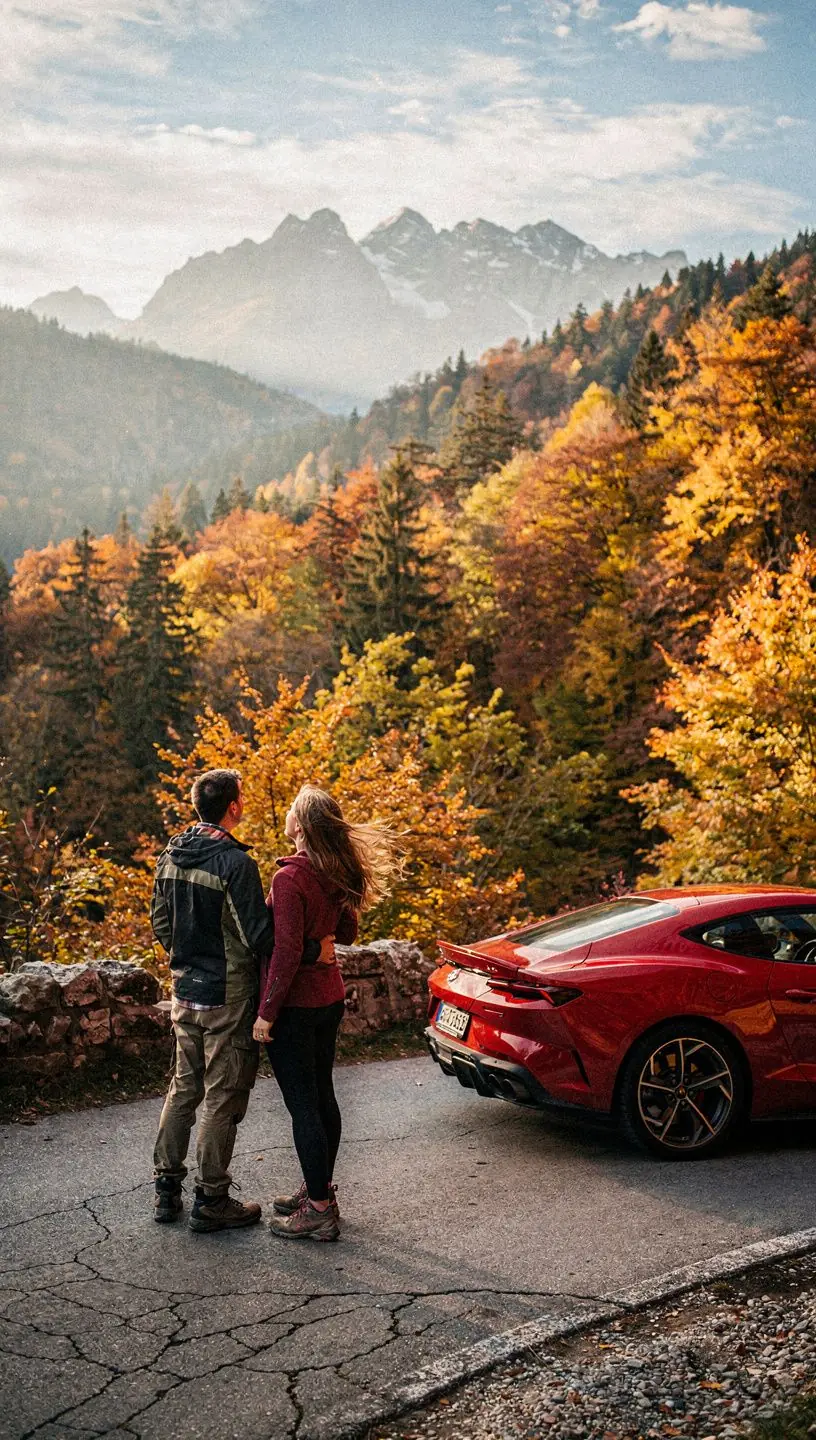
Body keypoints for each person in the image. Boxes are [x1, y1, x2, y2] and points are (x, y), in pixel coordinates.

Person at [150, 768, 326, 1232]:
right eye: (242, 797)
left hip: (184, 991)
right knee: (223, 1096)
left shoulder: (169, 854)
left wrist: (186, 962)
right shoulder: (235, 864)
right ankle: (211, 1198)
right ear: (233, 806)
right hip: (227, 995)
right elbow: (259, 936)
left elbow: (161, 927)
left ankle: (166, 1189)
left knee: (183, 1087)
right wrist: (312, 949)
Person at [253, 785, 398, 1242]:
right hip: (329, 1001)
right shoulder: (335, 873)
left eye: (294, 809)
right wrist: (326, 937)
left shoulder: (289, 879)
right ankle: (320, 1190)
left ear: (301, 825)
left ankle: (318, 1209)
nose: (290, 813)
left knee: (303, 1107)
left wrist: (265, 1013)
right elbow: (348, 934)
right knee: (323, 1097)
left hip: (295, 1007)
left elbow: (286, 951)